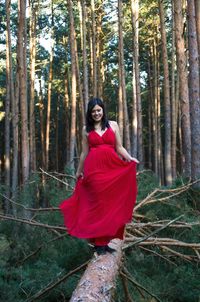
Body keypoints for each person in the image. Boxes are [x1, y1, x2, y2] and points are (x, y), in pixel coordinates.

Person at [59, 98, 138, 255]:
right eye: (93, 111)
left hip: (111, 167)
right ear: (90, 112)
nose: (96, 113)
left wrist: (130, 158)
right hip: (94, 169)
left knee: (110, 203)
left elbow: (119, 147)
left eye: (99, 110)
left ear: (103, 110)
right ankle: (98, 243)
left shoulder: (113, 125)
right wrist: (79, 171)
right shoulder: (85, 129)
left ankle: (105, 241)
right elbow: (84, 153)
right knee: (98, 204)